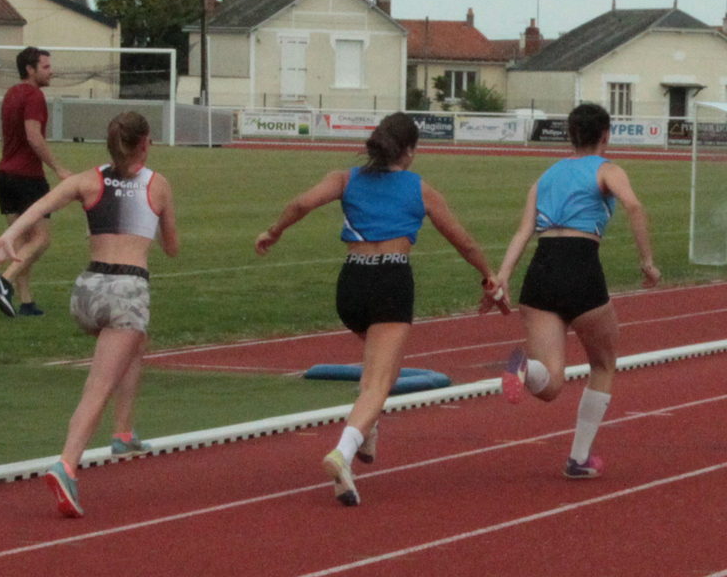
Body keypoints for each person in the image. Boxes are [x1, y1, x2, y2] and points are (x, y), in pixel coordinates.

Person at [255, 112, 500, 507]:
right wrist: (489, 275)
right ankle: (343, 453)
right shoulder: (419, 188)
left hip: (351, 284)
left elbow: (301, 203)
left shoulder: (344, 178)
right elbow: (464, 242)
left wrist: (273, 231)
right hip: (391, 281)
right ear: (409, 151)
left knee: (383, 366)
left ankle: (368, 430)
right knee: (378, 383)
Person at [0, 112, 178, 517]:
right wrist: (151, 223)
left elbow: (42, 204)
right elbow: (172, 248)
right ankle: (66, 464)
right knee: (98, 386)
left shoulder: (89, 180)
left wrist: (7, 237)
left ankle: (124, 431)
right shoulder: (157, 185)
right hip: (126, 291)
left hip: (86, 294)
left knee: (135, 342)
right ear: (146, 143)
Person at [495, 103, 660, 479]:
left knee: (550, 383)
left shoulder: (546, 176)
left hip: (540, 270)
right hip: (580, 266)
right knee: (603, 363)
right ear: (606, 135)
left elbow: (524, 231)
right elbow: (634, 207)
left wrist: (503, 275)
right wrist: (647, 262)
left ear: (570, 136)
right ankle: (578, 458)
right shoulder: (607, 169)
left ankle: (525, 369)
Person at [0, 46, 73, 318]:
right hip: (27, 177)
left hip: (4, 176)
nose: (51, 71)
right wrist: (59, 169)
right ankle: (3, 282)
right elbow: (34, 136)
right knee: (41, 239)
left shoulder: (11, 93)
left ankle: (26, 303)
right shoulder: (35, 96)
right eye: (45, 67)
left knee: (20, 242)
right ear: (30, 69)